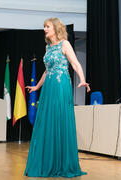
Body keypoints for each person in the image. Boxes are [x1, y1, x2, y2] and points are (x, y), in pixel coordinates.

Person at [24, 17, 90, 178]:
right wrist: (37, 87)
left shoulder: (64, 44)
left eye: (48, 26)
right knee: (47, 121)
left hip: (61, 86)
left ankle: (62, 163)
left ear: (56, 28)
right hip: (49, 87)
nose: (45, 29)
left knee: (60, 119)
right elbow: (47, 71)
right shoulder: (47, 48)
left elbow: (75, 64)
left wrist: (82, 80)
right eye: (44, 26)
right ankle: (49, 162)